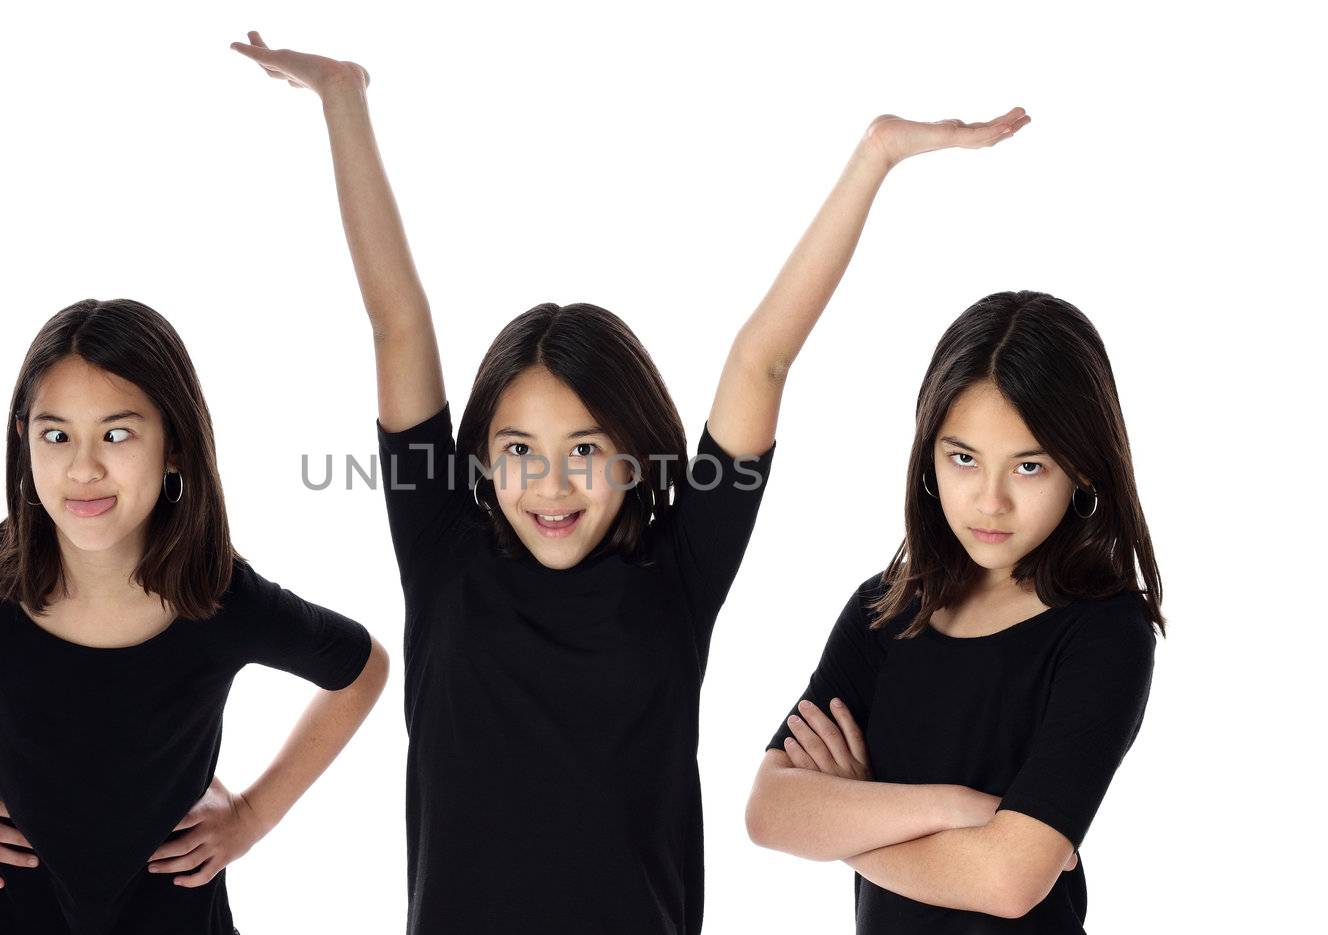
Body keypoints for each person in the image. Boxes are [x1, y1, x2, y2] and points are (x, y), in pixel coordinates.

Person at [231, 28, 1027, 934]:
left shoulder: (677, 570)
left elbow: (761, 361)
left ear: (635, 454)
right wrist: (343, 99)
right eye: (519, 448)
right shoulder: (441, 547)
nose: (551, 481)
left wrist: (875, 156)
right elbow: (395, 321)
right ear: (480, 461)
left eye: (585, 446)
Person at [0, 299, 389, 935]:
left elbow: (359, 669)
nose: (83, 469)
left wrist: (251, 816)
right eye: (56, 435)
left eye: (117, 434)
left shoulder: (218, 595)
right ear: (23, 440)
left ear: (175, 447)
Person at [745, 291, 1162, 932]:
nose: (988, 502)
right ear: (928, 457)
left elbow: (1008, 880)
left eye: (1028, 466)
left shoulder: (1106, 634)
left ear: (1081, 468)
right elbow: (771, 813)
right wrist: (960, 807)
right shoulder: (882, 611)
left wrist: (849, 815)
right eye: (962, 458)